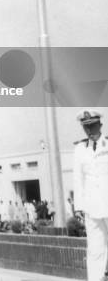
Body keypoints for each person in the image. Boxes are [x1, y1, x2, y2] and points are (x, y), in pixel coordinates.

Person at [73, 109, 108, 281]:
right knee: (95, 250)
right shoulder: (80, 149)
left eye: (92, 126)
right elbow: (78, 179)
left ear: (100, 125)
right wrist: (79, 207)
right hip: (92, 208)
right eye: (86, 127)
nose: (89, 131)